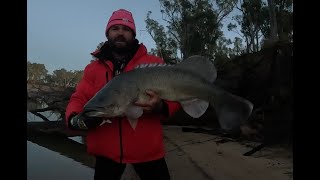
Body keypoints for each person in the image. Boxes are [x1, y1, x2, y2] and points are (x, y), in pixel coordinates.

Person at [65, 9, 181, 180]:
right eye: (115, 28)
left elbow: (178, 94)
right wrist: (74, 119)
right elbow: (78, 98)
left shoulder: (154, 64)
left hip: (147, 151)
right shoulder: (93, 69)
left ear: (133, 34)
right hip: (106, 152)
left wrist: (162, 106)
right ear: (108, 33)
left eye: (126, 29)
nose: (120, 33)